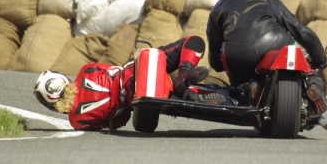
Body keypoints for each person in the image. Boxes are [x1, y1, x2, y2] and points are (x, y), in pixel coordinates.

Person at [206, 0, 327, 130]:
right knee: (307, 66)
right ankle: (313, 85)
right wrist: (320, 60)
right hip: (273, 42)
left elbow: (216, 61)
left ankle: (248, 89)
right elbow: (302, 32)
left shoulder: (221, 5)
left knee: (238, 84)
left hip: (237, 52)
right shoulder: (270, 0)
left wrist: (222, 61)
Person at [33, 36, 225, 130]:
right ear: (61, 78)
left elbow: (117, 122)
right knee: (194, 41)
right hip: (135, 71)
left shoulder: (77, 121)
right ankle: (184, 73)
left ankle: (179, 88)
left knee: (143, 124)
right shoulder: (86, 71)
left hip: (135, 100)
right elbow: (113, 68)